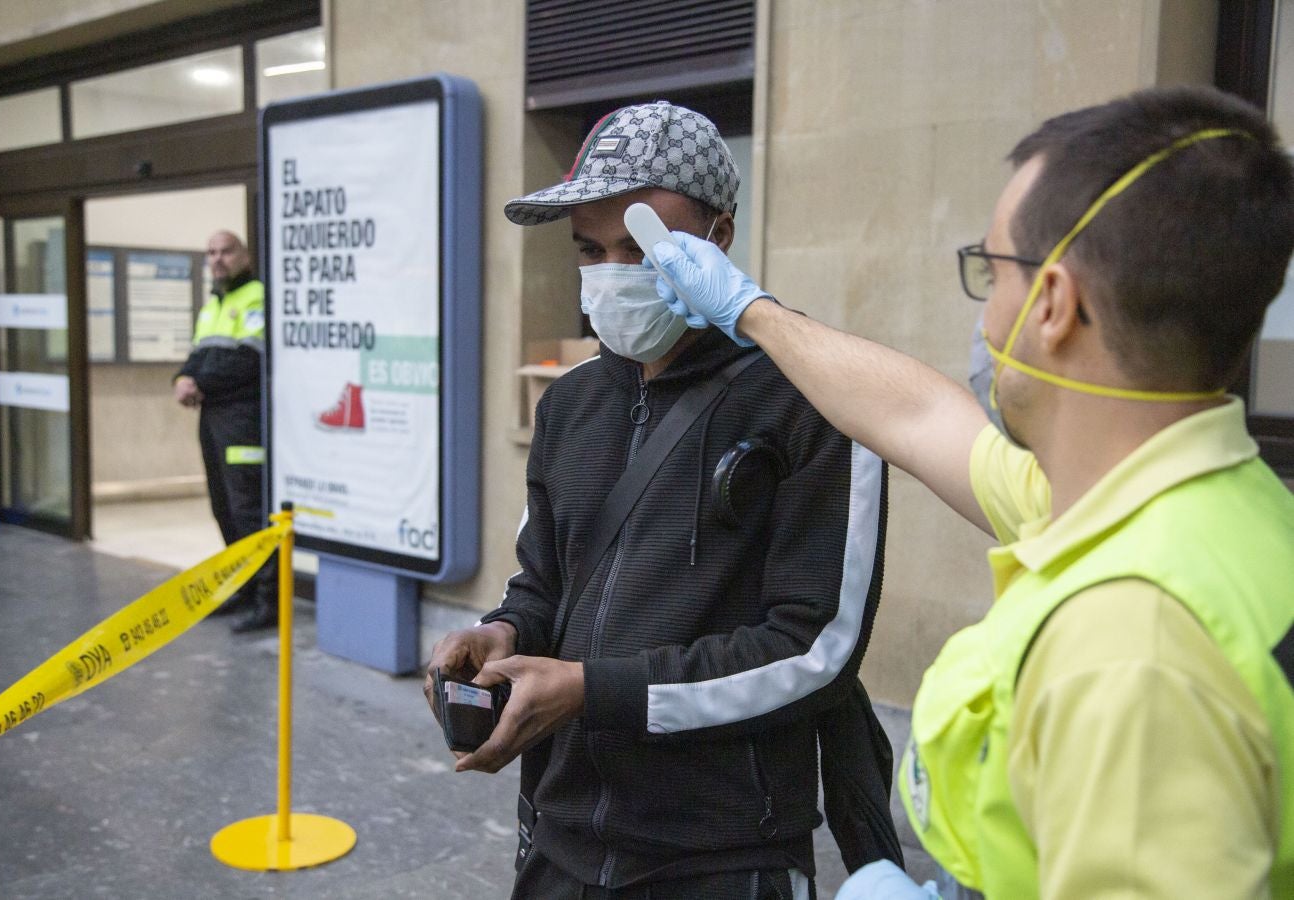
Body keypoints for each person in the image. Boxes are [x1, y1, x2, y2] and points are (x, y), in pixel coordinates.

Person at [652, 85, 1294, 899]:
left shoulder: (1136, 644)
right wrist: (750, 311)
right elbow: (919, 417)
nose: (986, 315)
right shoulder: (1187, 505)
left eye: (991, 272)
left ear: (1054, 303)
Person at [425, 101, 895, 899]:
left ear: (719, 235)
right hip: (559, 837)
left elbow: (815, 648)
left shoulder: (813, 396)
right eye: (589, 248)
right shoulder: (569, 404)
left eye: (639, 246)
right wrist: (502, 631)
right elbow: (544, 584)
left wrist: (595, 691)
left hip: (720, 853)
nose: (611, 271)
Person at [173, 230, 278, 634]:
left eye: (226, 251)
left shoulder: (256, 297)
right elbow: (197, 356)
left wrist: (199, 384)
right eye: (211, 252)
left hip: (243, 419)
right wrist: (181, 377)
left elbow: (248, 363)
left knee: (249, 511)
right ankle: (244, 590)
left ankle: (268, 601)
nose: (218, 259)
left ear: (245, 256)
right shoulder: (212, 306)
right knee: (223, 509)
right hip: (213, 419)